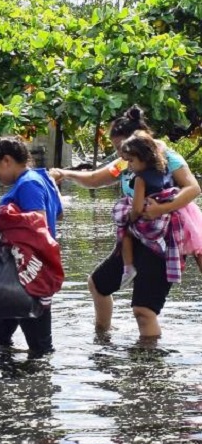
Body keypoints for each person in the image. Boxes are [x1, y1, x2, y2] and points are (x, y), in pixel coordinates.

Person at [51, 105, 202, 338]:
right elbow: (95, 179)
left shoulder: (167, 157)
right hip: (136, 234)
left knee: (143, 311)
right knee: (98, 285)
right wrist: (66, 173)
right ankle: (103, 336)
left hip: (162, 238)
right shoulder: (127, 160)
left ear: (139, 140)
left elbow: (192, 188)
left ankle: (148, 365)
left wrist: (161, 208)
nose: (121, 157)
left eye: (121, 148)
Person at [0, 136, 64, 356]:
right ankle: (12, 384)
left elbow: (38, 221)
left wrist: (0, 221)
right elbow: (59, 215)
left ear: (7, 160)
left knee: (39, 346)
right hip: (24, 269)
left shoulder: (28, 183)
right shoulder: (44, 178)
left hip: (28, 272)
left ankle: (31, 386)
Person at [115, 131, 169, 289]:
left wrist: (128, 219)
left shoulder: (140, 179)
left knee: (123, 230)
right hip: (164, 220)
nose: (129, 165)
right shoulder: (163, 171)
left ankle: (128, 267)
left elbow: (137, 209)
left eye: (131, 161)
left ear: (144, 157)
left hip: (151, 224)